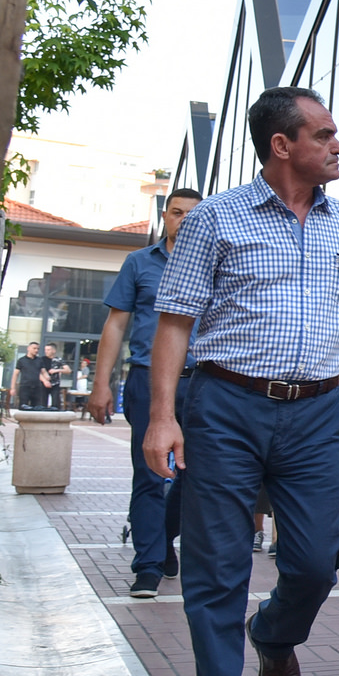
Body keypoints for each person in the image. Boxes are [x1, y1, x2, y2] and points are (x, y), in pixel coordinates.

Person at [144, 86, 339, 676]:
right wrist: (163, 416)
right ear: (282, 145)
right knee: (218, 569)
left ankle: (274, 634)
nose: (338, 146)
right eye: (324, 135)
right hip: (226, 406)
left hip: (315, 413)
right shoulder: (215, 218)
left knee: (316, 560)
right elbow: (175, 322)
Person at [89, 188, 202, 597]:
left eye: (192, 215)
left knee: (196, 475)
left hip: (202, 382)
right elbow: (116, 325)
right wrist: (101, 384)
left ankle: (163, 534)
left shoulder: (216, 264)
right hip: (147, 380)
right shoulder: (139, 263)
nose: (183, 221)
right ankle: (149, 565)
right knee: (150, 473)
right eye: (176, 213)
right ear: (165, 217)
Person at [12, 341, 46, 410]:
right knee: (23, 406)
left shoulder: (40, 360)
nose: (36, 350)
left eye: (38, 349)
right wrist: (13, 388)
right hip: (25, 386)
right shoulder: (21, 360)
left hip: (37, 387)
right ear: (28, 348)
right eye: (34, 348)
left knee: (37, 407)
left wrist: (47, 379)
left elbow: (44, 372)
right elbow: (15, 374)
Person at [41, 343, 68, 409]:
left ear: (54, 351)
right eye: (45, 350)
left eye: (48, 350)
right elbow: (38, 371)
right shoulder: (41, 359)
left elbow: (68, 370)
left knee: (55, 403)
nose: (46, 351)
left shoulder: (58, 360)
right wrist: (44, 380)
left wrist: (57, 370)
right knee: (42, 403)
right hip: (44, 383)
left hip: (55, 383)